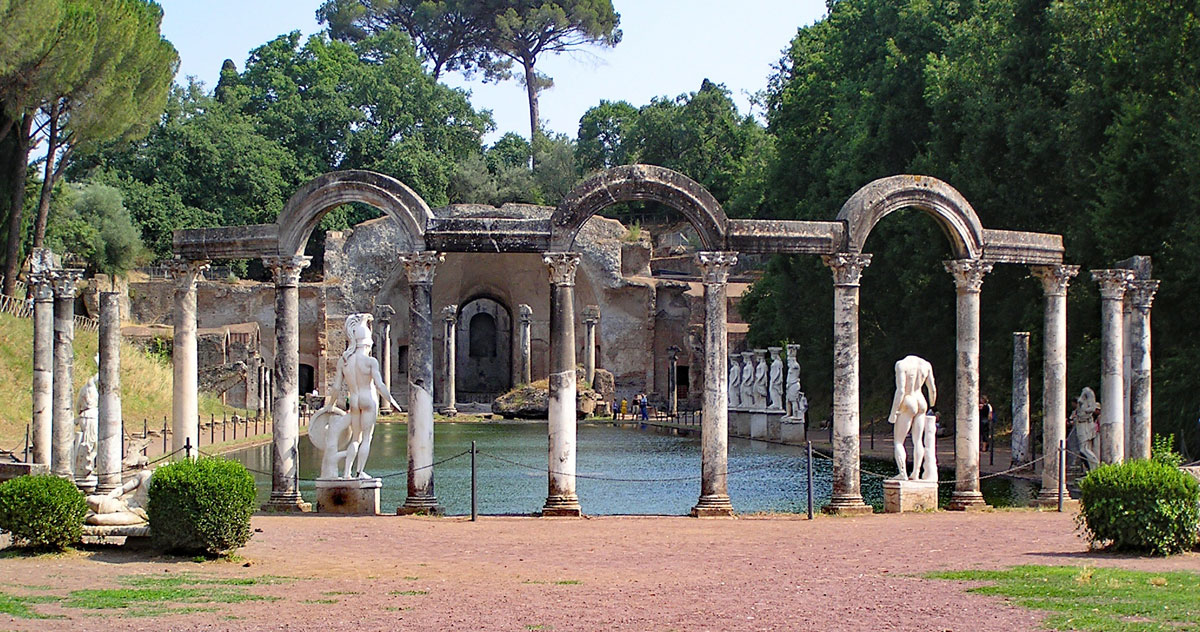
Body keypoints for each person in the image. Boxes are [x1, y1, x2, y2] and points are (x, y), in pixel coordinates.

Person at [886, 355, 937, 481]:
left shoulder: (901, 364)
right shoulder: (926, 365)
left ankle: (902, 473)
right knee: (918, 440)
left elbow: (901, 391)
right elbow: (932, 389)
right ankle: (916, 472)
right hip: (921, 400)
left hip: (908, 401)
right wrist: (932, 405)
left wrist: (893, 413)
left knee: (898, 441)